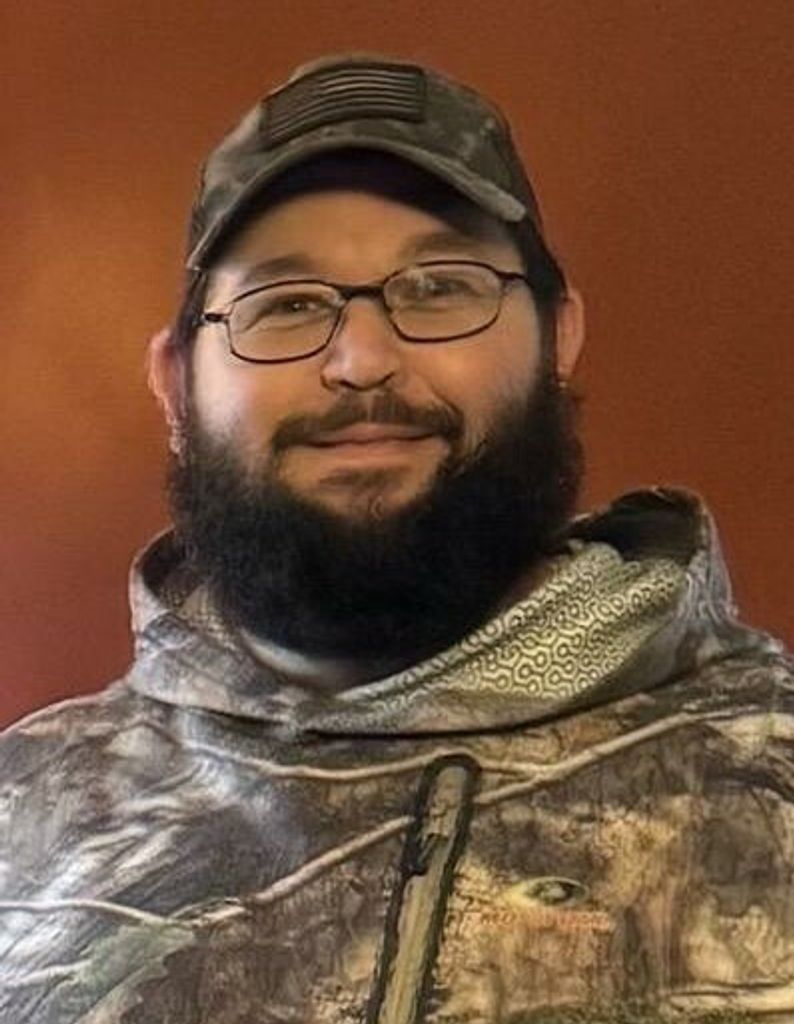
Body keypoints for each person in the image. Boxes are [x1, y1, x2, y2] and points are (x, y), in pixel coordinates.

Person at [1, 53, 792, 1024]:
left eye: (439, 286)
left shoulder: (774, 772)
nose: (362, 360)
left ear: (558, 338)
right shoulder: (19, 817)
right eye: (285, 303)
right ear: (175, 386)